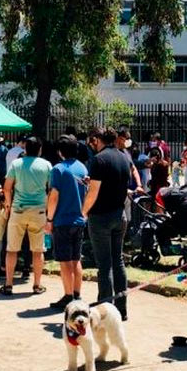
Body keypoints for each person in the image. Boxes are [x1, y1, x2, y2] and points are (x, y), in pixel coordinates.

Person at [81, 127, 131, 320]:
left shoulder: (98, 159)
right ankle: (122, 308)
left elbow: (93, 192)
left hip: (101, 216)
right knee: (118, 261)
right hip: (119, 215)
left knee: (104, 264)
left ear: (97, 139)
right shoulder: (123, 157)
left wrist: (84, 211)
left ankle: (104, 309)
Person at [0, 137, 52, 295]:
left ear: (25, 149)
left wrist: (8, 205)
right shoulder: (47, 165)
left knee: (12, 250)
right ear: (40, 149)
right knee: (38, 251)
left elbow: (7, 188)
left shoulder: (16, 164)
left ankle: (8, 284)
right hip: (39, 211)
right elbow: (51, 189)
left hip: (18, 210)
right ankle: (37, 285)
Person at [46, 135, 88, 310]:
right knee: (76, 258)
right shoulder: (82, 168)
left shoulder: (58, 169)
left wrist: (49, 219)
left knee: (64, 261)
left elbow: (54, 196)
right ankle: (77, 293)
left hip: (62, 220)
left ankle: (68, 295)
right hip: (79, 219)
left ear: (60, 151)